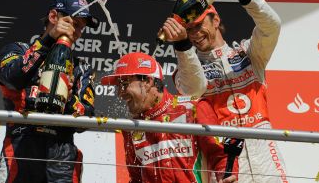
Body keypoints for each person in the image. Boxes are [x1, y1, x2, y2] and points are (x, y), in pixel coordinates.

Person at [160, 0, 288, 182]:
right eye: (189, 30)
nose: (194, 34)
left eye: (199, 25)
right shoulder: (185, 68)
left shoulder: (248, 53)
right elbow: (194, 89)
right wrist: (182, 46)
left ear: (216, 19)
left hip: (266, 159)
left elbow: (271, 26)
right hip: (224, 162)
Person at [0, 0, 98, 183]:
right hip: (21, 144)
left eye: (81, 28)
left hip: (62, 153)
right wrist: (48, 40)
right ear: (53, 17)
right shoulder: (17, 50)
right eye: (74, 23)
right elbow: (10, 79)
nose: (77, 32)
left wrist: (66, 99)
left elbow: (88, 118)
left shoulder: (82, 67)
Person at [101, 52, 238, 183]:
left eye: (124, 84)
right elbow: (136, 178)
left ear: (148, 81)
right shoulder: (131, 128)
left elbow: (221, 154)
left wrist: (225, 175)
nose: (120, 93)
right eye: (118, 86)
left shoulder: (192, 108)